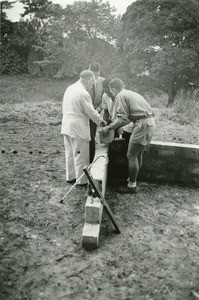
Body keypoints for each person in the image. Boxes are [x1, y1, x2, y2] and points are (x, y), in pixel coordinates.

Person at [102, 78, 156, 194]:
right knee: (137, 155)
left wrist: (109, 127)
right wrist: (116, 125)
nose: (111, 93)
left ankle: (132, 186)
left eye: (111, 91)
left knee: (131, 155)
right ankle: (132, 179)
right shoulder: (130, 93)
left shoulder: (120, 96)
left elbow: (122, 119)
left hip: (142, 124)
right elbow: (127, 119)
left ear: (113, 89)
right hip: (149, 123)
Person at [61, 70, 106, 187]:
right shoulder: (83, 93)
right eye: (92, 83)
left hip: (67, 126)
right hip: (78, 128)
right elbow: (91, 112)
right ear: (89, 80)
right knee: (81, 155)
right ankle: (82, 181)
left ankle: (70, 177)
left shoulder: (70, 88)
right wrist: (101, 122)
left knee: (70, 153)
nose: (91, 86)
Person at [88, 62, 105, 162]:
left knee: (92, 135)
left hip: (96, 113)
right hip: (86, 113)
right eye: (93, 74)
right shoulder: (85, 82)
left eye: (97, 74)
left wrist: (100, 107)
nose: (94, 77)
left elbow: (103, 97)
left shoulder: (102, 81)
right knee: (87, 136)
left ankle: (92, 158)